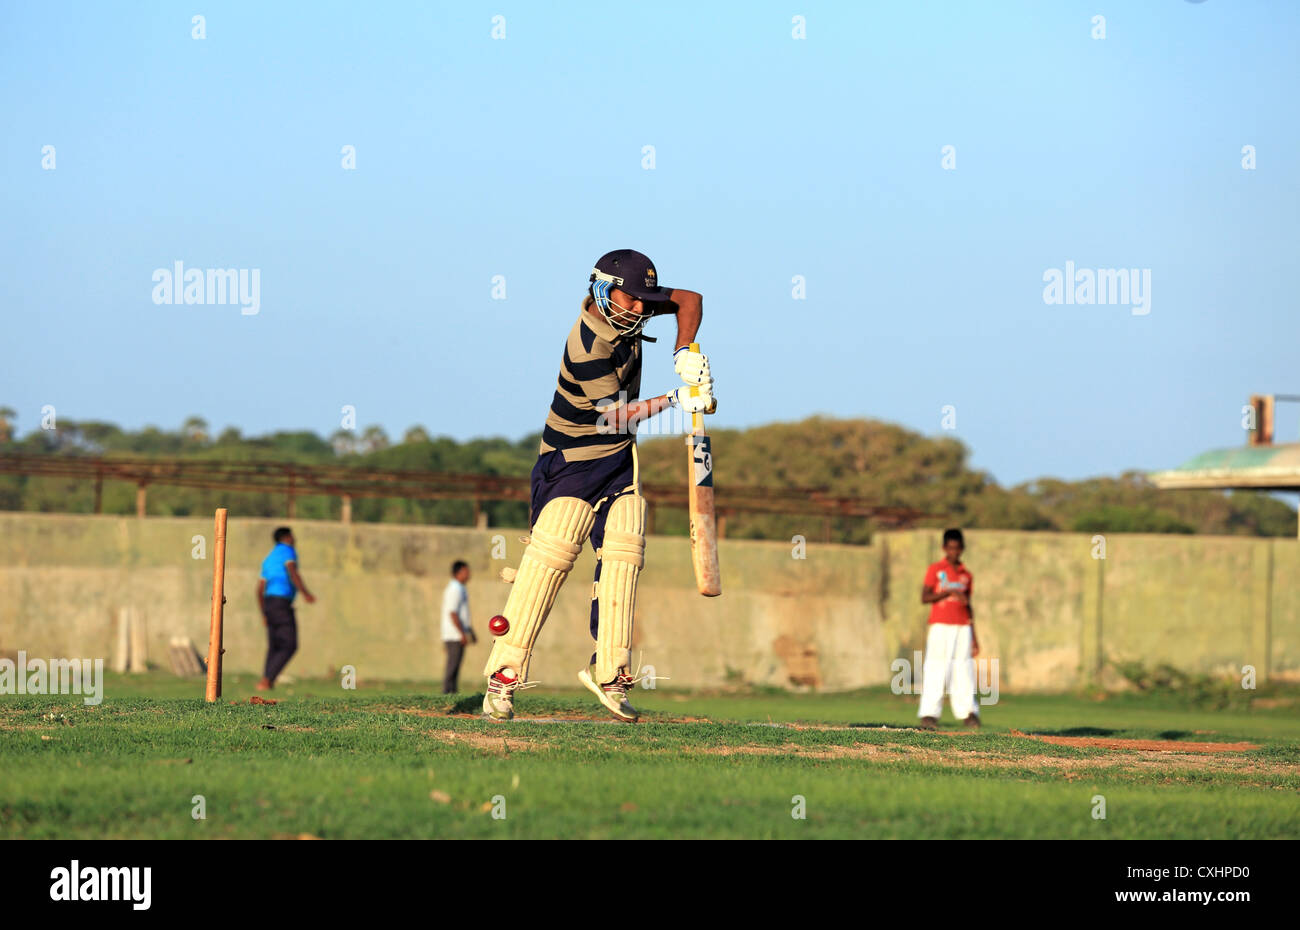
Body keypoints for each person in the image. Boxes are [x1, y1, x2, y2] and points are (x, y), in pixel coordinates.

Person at [481, 249, 714, 722]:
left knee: (625, 557)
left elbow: (690, 299)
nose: (638, 310)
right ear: (604, 289)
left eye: (644, 302)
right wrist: (675, 398)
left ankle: (610, 672)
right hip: (569, 462)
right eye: (630, 300)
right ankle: (502, 678)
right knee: (548, 565)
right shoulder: (587, 344)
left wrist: (684, 352)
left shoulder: (636, 307)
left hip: (619, 460)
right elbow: (611, 418)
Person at [918, 528, 980, 729]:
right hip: (940, 624)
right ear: (944, 548)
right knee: (936, 666)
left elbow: (968, 605)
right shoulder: (936, 569)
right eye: (950, 548)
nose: (954, 552)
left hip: (963, 626)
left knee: (963, 669)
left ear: (962, 548)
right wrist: (947, 593)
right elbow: (925, 597)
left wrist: (974, 636)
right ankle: (929, 713)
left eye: (957, 548)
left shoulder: (966, 575)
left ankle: (968, 713)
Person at [256, 526, 315, 690]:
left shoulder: (268, 558)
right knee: (290, 644)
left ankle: (266, 680)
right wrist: (306, 593)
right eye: (292, 537)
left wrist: (264, 613)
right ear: (287, 537)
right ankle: (266, 680)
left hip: (268, 603)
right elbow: (292, 572)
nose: (294, 540)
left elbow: (259, 589)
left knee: (274, 645)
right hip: (281, 603)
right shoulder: (288, 551)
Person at [441, 560, 475, 693]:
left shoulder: (460, 588)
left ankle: (453, 693)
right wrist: (462, 634)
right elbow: (453, 613)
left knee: (456, 666)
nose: (468, 575)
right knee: (452, 666)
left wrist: (470, 631)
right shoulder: (454, 589)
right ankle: (447, 694)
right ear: (458, 573)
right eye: (466, 572)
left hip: (458, 633)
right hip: (453, 635)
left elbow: (462, 614)